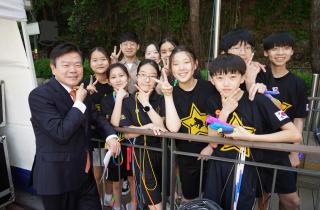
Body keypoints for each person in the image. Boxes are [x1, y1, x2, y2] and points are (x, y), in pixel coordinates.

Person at [202, 54, 302, 210]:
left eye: (232, 77)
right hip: (218, 166)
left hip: (246, 168)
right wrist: (224, 112)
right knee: (212, 206)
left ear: (242, 78)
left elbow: (294, 134)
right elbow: (213, 141)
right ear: (212, 80)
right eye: (220, 78)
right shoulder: (212, 101)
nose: (226, 83)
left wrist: (251, 137)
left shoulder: (258, 100)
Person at [28, 43, 120, 210]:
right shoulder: (39, 95)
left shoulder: (81, 92)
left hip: (85, 176)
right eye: (66, 65)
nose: (73, 70)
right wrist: (78, 103)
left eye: (77, 65)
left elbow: (96, 117)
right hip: (56, 179)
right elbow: (60, 132)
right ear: (53, 68)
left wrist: (111, 136)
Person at [256, 32, 308, 210]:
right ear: (266, 53)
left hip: (284, 150)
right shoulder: (257, 78)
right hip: (259, 146)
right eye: (275, 48)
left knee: (291, 201)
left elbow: (298, 118)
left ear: (292, 51)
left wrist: (294, 151)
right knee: (262, 197)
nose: (280, 53)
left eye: (285, 48)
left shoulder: (298, 83)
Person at [164, 45, 219, 202]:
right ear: (170, 68)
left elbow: (219, 117)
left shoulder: (209, 88)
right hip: (186, 157)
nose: (181, 68)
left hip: (213, 155)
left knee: (212, 200)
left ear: (195, 64)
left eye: (186, 62)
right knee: (190, 199)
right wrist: (167, 96)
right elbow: (173, 128)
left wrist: (210, 146)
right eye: (175, 64)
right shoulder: (170, 93)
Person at [119, 59, 167, 210]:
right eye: (143, 75)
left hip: (163, 152)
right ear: (136, 76)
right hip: (142, 152)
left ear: (157, 79)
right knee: (152, 195)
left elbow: (163, 128)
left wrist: (146, 104)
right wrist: (147, 127)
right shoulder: (128, 101)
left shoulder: (162, 99)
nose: (147, 80)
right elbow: (127, 133)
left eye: (152, 76)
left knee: (163, 192)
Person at [100, 63, 135, 210]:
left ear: (128, 77)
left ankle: (134, 205)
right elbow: (113, 123)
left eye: (121, 76)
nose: (118, 79)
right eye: (113, 77)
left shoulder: (135, 98)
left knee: (133, 179)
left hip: (133, 145)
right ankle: (117, 206)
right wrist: (119, 98)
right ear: (108, 80)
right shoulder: (107, 100)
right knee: (116, 181)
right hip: (115, 146)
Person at [84, 47, 113, 204]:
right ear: (89, 63)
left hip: (112, 136)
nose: (100, 63)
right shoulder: (84, 84)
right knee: (96, 173)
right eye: (95, 60)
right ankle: (98, 201)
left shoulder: (115, 80)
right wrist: (86, 94)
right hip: (94, 138)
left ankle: (109, 199)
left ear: (109, 61)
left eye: (103, 59)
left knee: (110, 171)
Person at [219, 28, 268, 101]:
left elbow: (278, 106)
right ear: (224, 53)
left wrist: (251, 83)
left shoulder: (262, 71)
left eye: (247, 48)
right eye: (236, 48)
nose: (243, 53)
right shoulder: (218, 74)